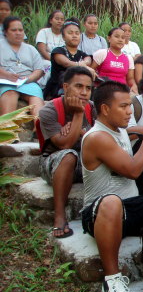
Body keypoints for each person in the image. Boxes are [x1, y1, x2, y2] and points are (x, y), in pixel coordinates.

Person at [81, 81, 143, 292]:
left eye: (130, 105)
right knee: (111, 202)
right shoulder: (97, 137)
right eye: (124, 106)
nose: (130, 111)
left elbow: (129, 167)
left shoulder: (119, 131)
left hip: (129, 210)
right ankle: (112, 279)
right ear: (105, 109)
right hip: (99, 214)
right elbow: (132, 170)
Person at [39, 67, 95, 238]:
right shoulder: (49, 110)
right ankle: (60, 215)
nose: (84, 93)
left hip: (84, 160)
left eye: (88, 88)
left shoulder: (92, 107)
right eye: (79, 87)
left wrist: (80, 132)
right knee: (69, 155)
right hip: (56, 162)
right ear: (65, 87)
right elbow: (65, 145)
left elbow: (101, 139)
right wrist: (78, 115)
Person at [0, 16, 44, 116]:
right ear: (6, 32)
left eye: (20, 30)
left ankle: (38, 127)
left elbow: (40, 69)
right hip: (6, 83)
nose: (18, 33)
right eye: (14, 30)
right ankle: (6, 128)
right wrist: (7, 75)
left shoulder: (31, 49)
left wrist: (28, 78)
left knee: (36, 98)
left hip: (28, 82)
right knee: (10, 94)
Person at [44, 20, 93, 99]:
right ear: (63, 37)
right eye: (70, 33)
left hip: (79, 87)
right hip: (59, 88)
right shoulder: (58, 51)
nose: (74, 35)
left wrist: (85, 64)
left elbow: (88, 60)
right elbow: (67, 63)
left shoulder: (83, 54)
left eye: (77, 33)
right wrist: (82, 65)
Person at [91, 27, 138, 94]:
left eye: (123, 38)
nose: (120, 40)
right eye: (117, 36)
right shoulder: (102, 53)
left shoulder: (128, 58)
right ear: (109, 38)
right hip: (104, 90)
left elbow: (130, 79)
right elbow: (91, 71)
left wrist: (134, 85)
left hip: (122, 91)